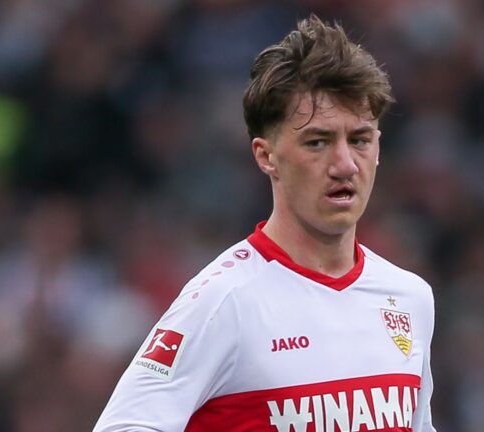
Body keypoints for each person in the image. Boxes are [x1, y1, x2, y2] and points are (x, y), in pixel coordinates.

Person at [94, 15, 436, 432]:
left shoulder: (409, 298)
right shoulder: (224, 301)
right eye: (318, 142)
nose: (345, 164)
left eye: (360, 140)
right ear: (266, 155)